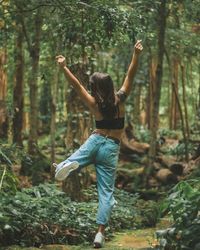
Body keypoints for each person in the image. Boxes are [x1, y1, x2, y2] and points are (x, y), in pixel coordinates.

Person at [54, 40, 143, 248]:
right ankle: (100, 234)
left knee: (79, 155)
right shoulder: (120, 99)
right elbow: (130, 75)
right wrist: (136, 55)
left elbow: (76, 86)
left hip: (95, 140)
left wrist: (64, 67)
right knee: (106, 193)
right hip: (111, 146)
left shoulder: (94, 103)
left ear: (94, 88)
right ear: (111, 86)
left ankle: (64, 165)